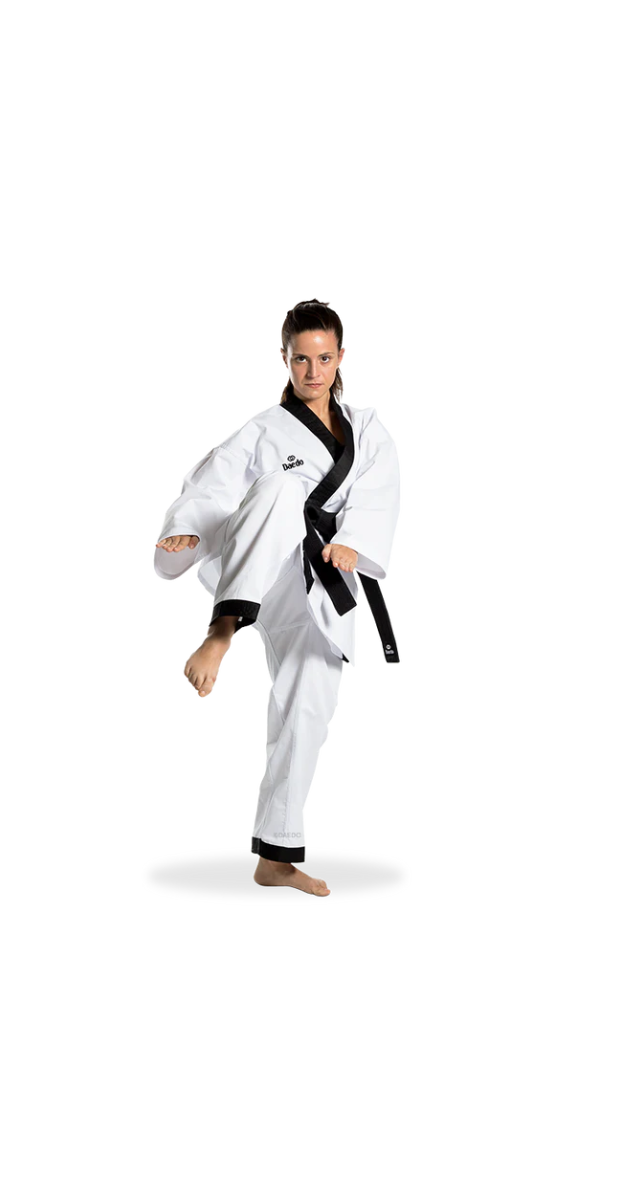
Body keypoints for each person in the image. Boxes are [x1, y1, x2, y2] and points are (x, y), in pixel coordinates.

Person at [152, 299, 401, 897]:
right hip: (265, 568)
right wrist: (189, 528)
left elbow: (380, 492)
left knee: (308, 706)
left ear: (341, 357)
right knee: (283, 489)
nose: (313, 371)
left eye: (324, 358)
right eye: (301, 359)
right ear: (284, 359)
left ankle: (276, 855)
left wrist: (355, 540)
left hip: (322, 578)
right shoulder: (263, 430)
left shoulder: (367, 429)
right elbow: (212, 486)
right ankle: (221, 633)